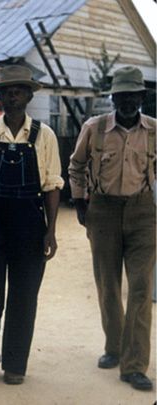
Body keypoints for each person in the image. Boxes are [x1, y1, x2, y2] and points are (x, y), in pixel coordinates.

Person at [0, 65, 62, 385]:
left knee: (24, 295)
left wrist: (51, 231)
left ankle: (16, 364)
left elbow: (52, 185)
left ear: (30, 95)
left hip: (29, 224)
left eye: (19, 89)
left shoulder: (44, 135)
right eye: (6, 90)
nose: (12, 95)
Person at [68, 66, 155, 391]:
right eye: (122, 95)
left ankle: (134, 365)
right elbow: (76, 165)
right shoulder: (95, 127)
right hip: (102, 210)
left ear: (142, 97)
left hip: (143, 211)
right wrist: (80, 204)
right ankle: (114, 347)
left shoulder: (154, 130)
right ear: (114, 97)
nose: (128, 101)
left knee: (142, 289)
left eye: (133, 95)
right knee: (108, 286)